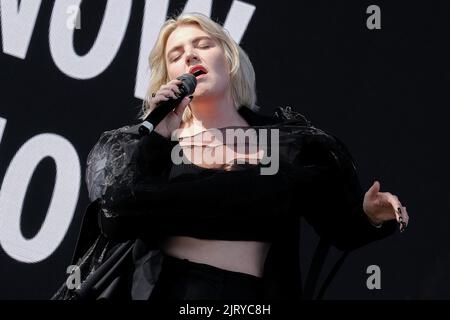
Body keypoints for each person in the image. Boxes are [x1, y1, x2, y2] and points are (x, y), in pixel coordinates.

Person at [53, 12, 409, 300]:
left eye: (202, 45)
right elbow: (116, 214)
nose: (189, 55)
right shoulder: (147, 143)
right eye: (175, 56)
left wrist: (369, 215)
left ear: (229, 58)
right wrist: (157, 138)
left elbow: (339, 227)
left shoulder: (285, 145)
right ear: (169, 77)